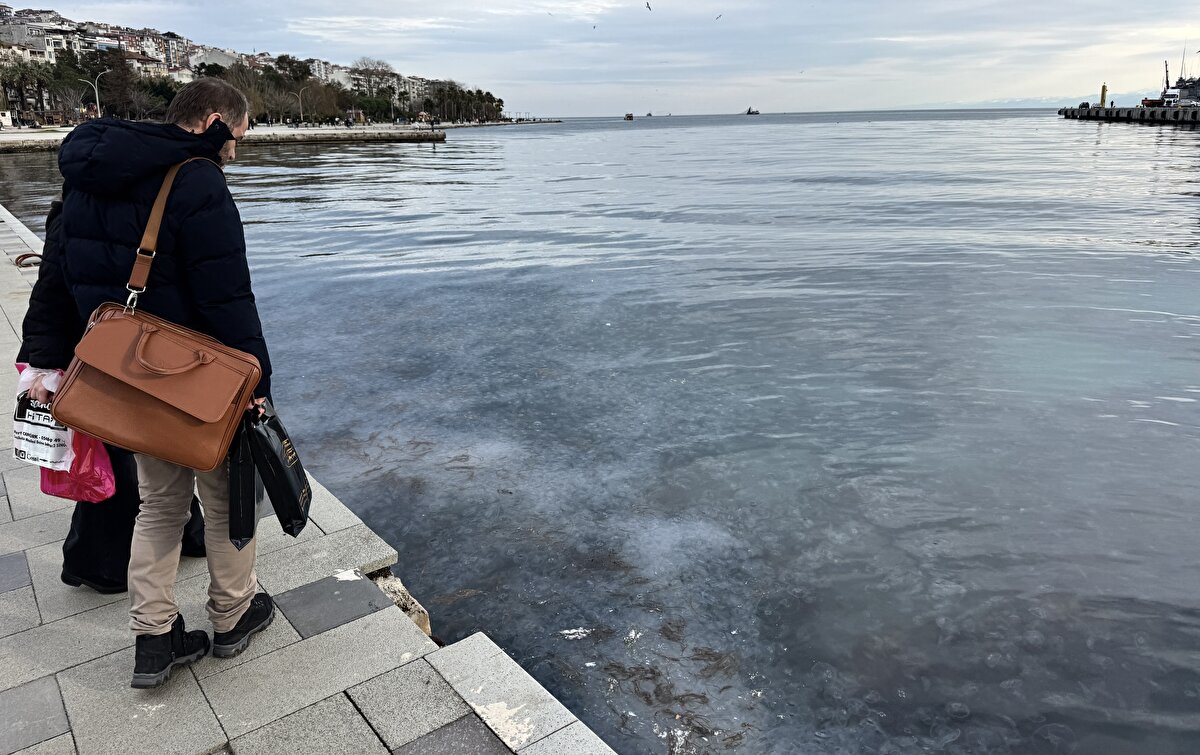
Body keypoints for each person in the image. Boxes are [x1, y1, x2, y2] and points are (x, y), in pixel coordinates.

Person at [22, 78, 276, 688]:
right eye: (237, 135)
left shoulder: (84, 173)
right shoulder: (196, 178)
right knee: (224, 499)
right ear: (214, 120)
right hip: (196, 378)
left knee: (158, 504)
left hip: (119, 376)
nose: (236, 150)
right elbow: (228, 296)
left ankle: (153, 638)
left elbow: (55, 276)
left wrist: (43, 362)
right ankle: (233, 614)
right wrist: (259, 380)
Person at [19, 201, 207, 595]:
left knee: (138, 451)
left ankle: (185, 531)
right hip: (122, 350)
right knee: (119, 458)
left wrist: (43, 357)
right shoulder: (181, 185)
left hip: (105, 341)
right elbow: (53, 286)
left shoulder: (80, 194)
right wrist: (44, 362)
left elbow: (51, 284)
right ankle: (97, 563)